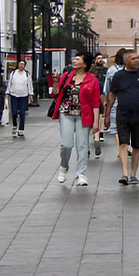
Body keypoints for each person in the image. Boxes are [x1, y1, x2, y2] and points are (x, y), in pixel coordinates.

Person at [51, 52, 101, 187]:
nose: (74, 60)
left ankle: (80, 174)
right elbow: (55, 94)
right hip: (66, 113)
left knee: (82, 145)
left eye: (78, 59)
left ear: (85, 63)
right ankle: (64, 166)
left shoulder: (92, 80)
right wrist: (55, 83)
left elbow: (96, 102)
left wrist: (96, 122)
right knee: (66, 145)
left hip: (83, 115)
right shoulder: (67, 76)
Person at [105, 49, 139, 185]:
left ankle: (133, 174)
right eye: (133, 58)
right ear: (126, 61)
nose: (137, 60)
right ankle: (125, 173)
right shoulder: (119, 76)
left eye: (138, 58)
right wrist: (107, 114)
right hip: (123, 114)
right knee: (123, 143)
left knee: (137, 145)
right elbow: (112, 94)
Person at [102, 49, 126, 151]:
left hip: (115, 102)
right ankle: (125, 146)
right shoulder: (131, 70)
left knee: (116, 127)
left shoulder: (111, 70)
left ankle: (120, 148)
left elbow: (107, 89)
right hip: (129, 101)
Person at [6, 59, 34, 138]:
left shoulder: (27, 74)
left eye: (23, 65)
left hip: (24, 95)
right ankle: (14, 125)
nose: (21, 66)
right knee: (14, 112)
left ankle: (21, 129)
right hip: (14, 95)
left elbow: (30, 84)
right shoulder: (13, 73)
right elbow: (10, 82)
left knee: (22, 112)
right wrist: (7, 92)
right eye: (20, 64)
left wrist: (30, 94)